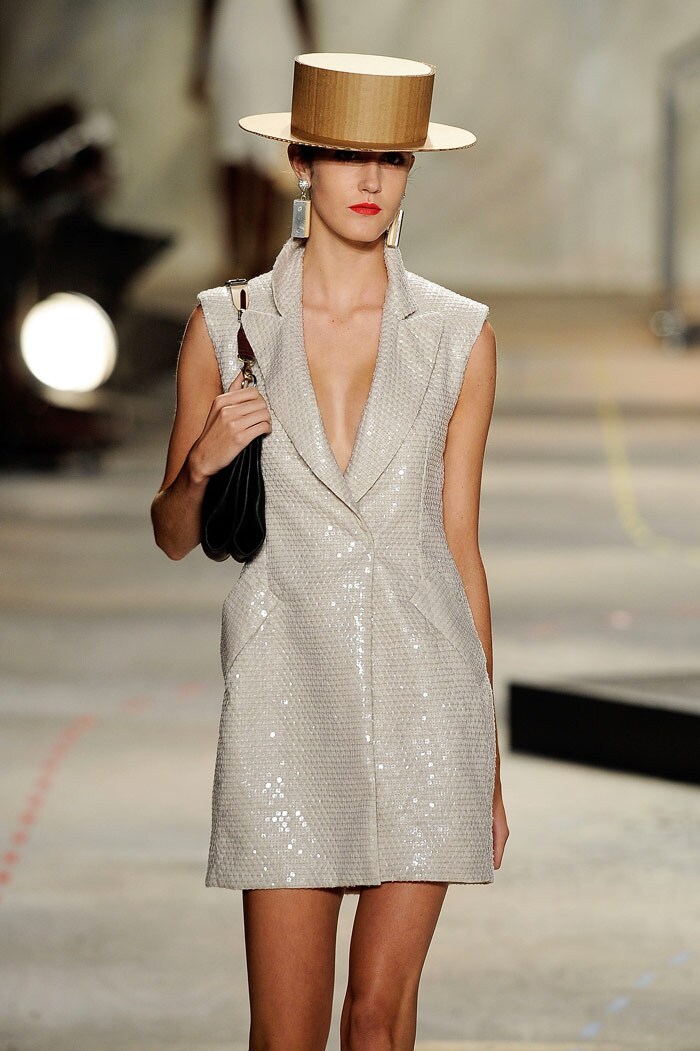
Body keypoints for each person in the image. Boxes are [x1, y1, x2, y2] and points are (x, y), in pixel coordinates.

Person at [152, 53, 509, 1051]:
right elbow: (174, 535)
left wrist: (481, 757)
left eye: (390, 158)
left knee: (378, 1018)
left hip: (425, 699)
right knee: (287, 1033)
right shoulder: (225, 326)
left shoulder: (458, 336)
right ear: (300, 163)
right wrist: (204, 461)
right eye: (345, 156)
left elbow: (459, 547)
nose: (368, 181)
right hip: (283, 701)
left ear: (408, 172)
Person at [189, 0, 315, 276]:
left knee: (271, 155)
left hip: (276, 40)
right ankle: (234, 255)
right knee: (231, 154)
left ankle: (264, 256)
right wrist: (201, 59)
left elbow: (302, 6)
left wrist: (311, 64)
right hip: (232, 38)